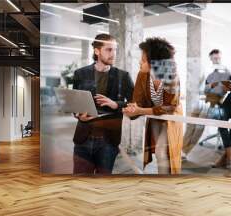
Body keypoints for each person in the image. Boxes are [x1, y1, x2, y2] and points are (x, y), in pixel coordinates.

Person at [72, 34, 134, 174]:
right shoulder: (80, 74)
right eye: (109, 50)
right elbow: (75, 103)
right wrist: (78, 115)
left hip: (108, 142)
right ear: (97, 51)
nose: (113, 54)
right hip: (83, 139)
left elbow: (134, 105)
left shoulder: (123, 77)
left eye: (115, 50)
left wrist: (116, 105)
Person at [123, 37, 183, 174]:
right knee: (159, 152)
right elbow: (137, 101)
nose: (140, 62)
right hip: (154, 116)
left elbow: (169, 107)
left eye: (143, 60)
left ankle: (165, 185)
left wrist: (140, 110)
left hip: (171, 118)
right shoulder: (142, 75)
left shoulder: (171, 76)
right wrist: (132, 109)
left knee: (163, 151)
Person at [182, 49, 231, 156]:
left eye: (218, 57)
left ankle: (186, 151)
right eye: (214, 58)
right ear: (211, 58)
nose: (217, 60)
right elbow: (201, 88)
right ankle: (182, 149)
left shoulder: (227, 71)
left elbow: (225, 89)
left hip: (216, 101)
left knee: (199, 125)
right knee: (191, 123)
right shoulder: (207, 71)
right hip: (203, 99)